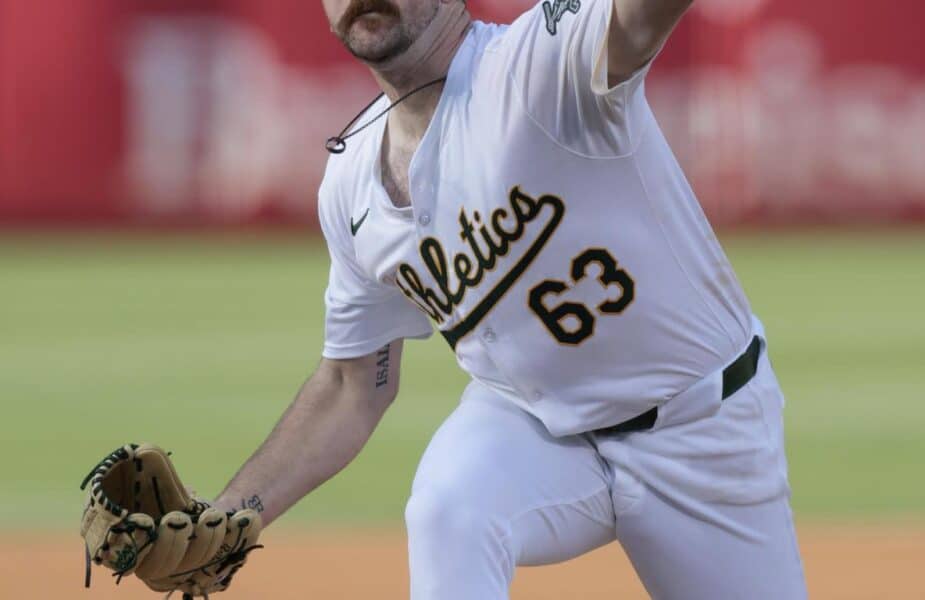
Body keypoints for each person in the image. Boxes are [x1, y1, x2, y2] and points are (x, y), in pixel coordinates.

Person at [215, 0, 808, 597]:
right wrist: (230, 519)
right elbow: (352, 385)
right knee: (449, 510)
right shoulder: (349, 186)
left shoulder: (538, 64)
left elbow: (638, 16)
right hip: (538, 431)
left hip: (700, 431)